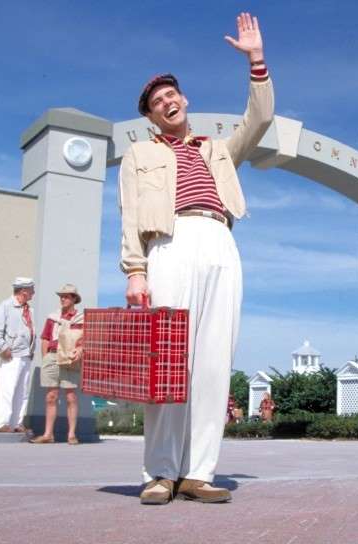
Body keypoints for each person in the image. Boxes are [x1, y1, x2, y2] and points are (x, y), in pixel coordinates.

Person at [122, 12, 273, 505]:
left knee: (213, 360)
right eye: (156, 102)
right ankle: (160, 472)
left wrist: (255, 60)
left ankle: (199, 472)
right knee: (169, 359)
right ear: (150, 117)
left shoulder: (218, 149)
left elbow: (262, 118)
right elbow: (129, 217)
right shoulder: (139, 156)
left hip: (220, 238)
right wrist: (136, 271)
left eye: (172, 95)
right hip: (169, 242)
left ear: (184, 100)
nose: (167, 103)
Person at [31, 284, 84, 445]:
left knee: (71, 396)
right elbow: (45, 338)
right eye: (61, 296)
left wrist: (80, 350)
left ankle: (71, 435)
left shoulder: (81, 318)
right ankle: (48, 435)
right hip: (52, 357)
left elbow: (85, 339)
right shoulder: (52, 317)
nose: (63, 298)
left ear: (74, 299)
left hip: (69, 358)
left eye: (67, 296)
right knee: (51, 396)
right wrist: (46, 357)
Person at [0, 277, 36, 433]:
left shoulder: (29, 310)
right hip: (12, 355)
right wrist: (3, 347)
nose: (33, 292)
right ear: (23, 291)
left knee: (22, 392)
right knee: (7, 389)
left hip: (26, 355)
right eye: (31, 289)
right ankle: (1, 423)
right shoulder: (6, 306)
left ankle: (16, 423)